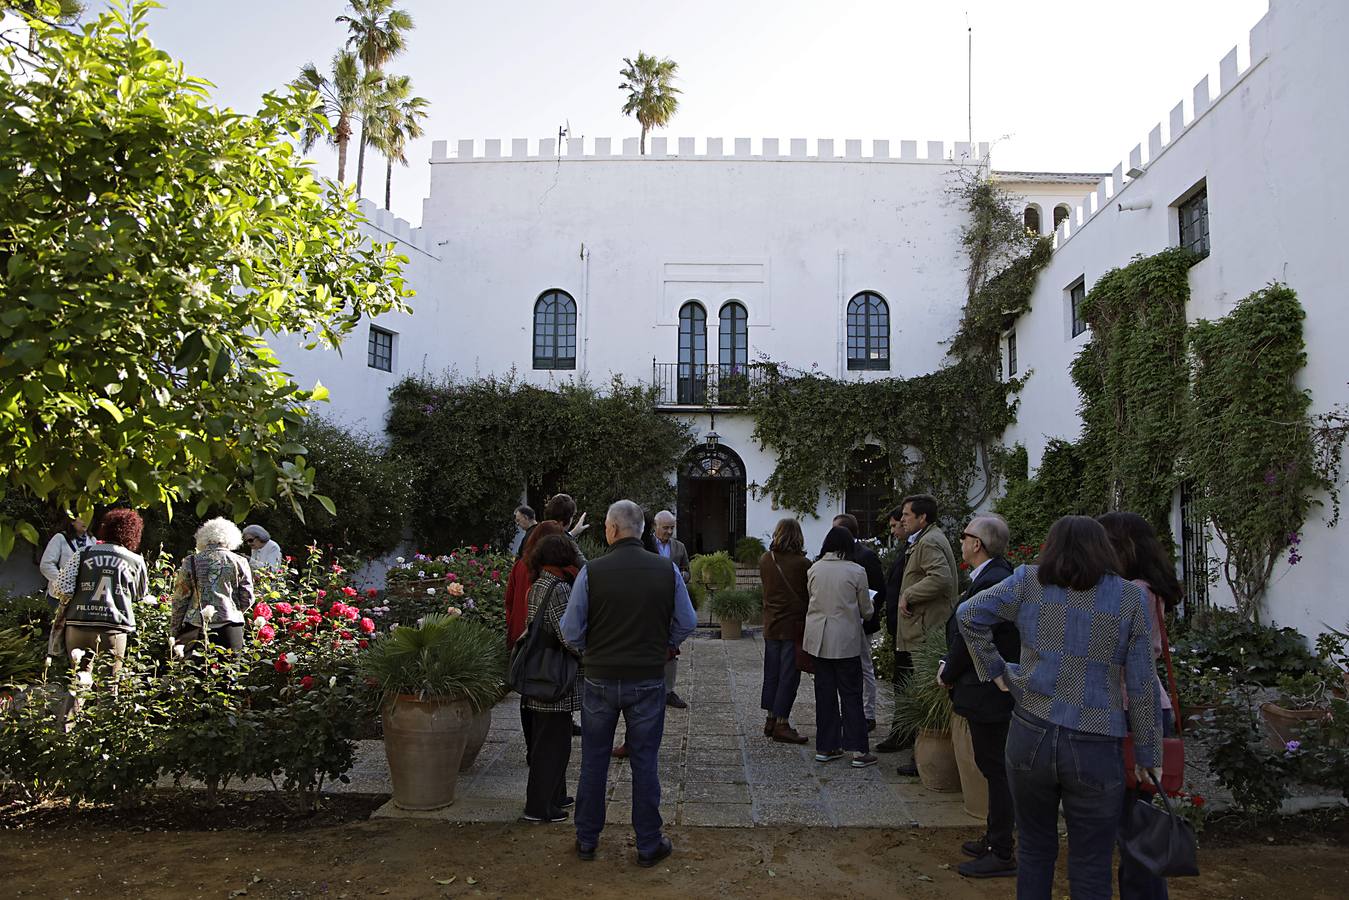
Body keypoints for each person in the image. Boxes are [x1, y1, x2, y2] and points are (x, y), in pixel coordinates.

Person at [958, 515, 1163, 900]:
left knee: (1035, 850)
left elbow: (968, 614)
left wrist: (997, 671)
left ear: (1051, 546)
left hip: (1030, 732)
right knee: (1091, 861)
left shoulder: (1028, 581)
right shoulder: (1129, 597)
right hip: (1096, 740)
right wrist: (1149, 752)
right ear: (1103, 548)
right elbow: (1141, 683)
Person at [562, 500, 697, 867]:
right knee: (644, 762)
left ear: (611, 530)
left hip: (600, 678)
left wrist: (594, 648)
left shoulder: (593, 572)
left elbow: (570, 630)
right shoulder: (666, 570)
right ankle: (648, 843)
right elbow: (687, 621)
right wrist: (665, 644)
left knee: (593, 761)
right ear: (641, 530)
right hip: (647, 678)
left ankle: (587, 839)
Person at [1098, 511, 1183, 900]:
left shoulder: (1132, 592)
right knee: (1137, 824)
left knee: (1133, 827)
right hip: (1148, 706)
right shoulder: (1149, 588)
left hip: (1134, 710)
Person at [938, 515, 1017, 879]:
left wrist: (948, 672)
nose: (961, 541)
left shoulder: (996, 580)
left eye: (965, 535)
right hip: (984, 687)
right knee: (991, 765)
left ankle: (1001, 848)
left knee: (996, 768)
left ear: (978, 544)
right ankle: (993, 836)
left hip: (990, 690)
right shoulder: (993, 576)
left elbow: (972, 637)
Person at [878, 494, 959, 771]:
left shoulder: (930, 541)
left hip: (925, 628)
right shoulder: (926, 540)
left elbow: (941, 578)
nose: (902, 520)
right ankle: (918, 749)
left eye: (907, 516)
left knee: (923, 692)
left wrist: (909, 594)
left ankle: (924, 756)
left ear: (922, 518)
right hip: (920, 626)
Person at [519, 533, 583, 823]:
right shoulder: (558, 588)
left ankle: (555, 795)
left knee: (551, 740)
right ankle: (540, 807)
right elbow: (567, 635)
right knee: (552, 745)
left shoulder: (540, 583)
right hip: (552, 676)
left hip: (541, 671)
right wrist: (588, 654)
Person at [804, 525, 876, 768]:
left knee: (824, 694)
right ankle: (857, 749)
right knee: (851, 694)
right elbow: (866, 610)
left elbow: (811, 597)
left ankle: (826, 746)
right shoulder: (856, 571)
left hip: (818, 640)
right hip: (845, 641)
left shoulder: (814, 569)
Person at [54, 508, 149, 685]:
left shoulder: (83, 553)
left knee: (78, 685)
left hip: (78, 625)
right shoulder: (136, 561)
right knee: (109, 688)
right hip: (113, 628)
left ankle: (69, 713)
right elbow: (140, 595)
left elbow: (62, 587)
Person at [757, 517, 810, 744]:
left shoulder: (765, 559)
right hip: (792, 626)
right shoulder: (803, 564)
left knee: (772, 673)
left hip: (771, 623)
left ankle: (770, 718)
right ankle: (782, 723)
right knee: (789, 676)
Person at [832, 513, 885, 732]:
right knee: (844, 670)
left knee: (864, 667)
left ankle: (868, 713)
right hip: (841, 622)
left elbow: (879, 589)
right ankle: (848, 711)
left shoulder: (866, 556)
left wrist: (866, 613)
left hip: (862, 621)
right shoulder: (834, 556)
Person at [170, 518, 256, 652]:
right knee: (231, 670)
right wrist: (233, 610)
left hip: (196, 626)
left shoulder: (191, 561)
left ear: (203, 537)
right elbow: (248, 597)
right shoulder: (240, 561)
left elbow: (180, 598)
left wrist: (174, 630)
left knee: (196, 671)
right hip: (230, 626)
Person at [651, 510, 691, 709]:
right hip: (650, 602)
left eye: (672, 528)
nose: (669, 531)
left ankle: (668, 690)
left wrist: (680, 578)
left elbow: (687, 571)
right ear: (655, 527)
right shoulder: (646, 545)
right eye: (665, 528)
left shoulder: (679, 547)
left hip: (672, 603)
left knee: (671, 648)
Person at [39, 516, 95, 613]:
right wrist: (64, 582)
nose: (86, 521)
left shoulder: (93, 541)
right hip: (59, 597)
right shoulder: (60, 538)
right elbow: (46, 565)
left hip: (82, 598)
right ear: (73, 521)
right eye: (82, 518)